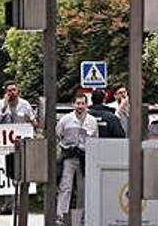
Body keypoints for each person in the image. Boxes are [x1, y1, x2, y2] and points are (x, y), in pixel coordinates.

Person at [0, 81, 36, 214]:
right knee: (3, 174)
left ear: (18, 91)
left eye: (14, 90)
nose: (12, 93)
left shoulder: (25, 104)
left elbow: (33, 121)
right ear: (5, 92)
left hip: (19, 146)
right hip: (1, 146)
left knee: (18, 175)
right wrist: (4, 106)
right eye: (9, 90)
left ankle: (13, 205)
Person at [56, 94, 98, 225]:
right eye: (78, 103)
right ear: (73, 104)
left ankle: (83, 217)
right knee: (65, 186)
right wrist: (64, 148)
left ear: (86, 105)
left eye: (82, 103)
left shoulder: (92, 121)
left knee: (83, 188)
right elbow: (57, 135)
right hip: (69, 156)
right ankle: (60, 215)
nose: (80, 106)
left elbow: (96, 139)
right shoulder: (65, 119)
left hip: (85, 157)